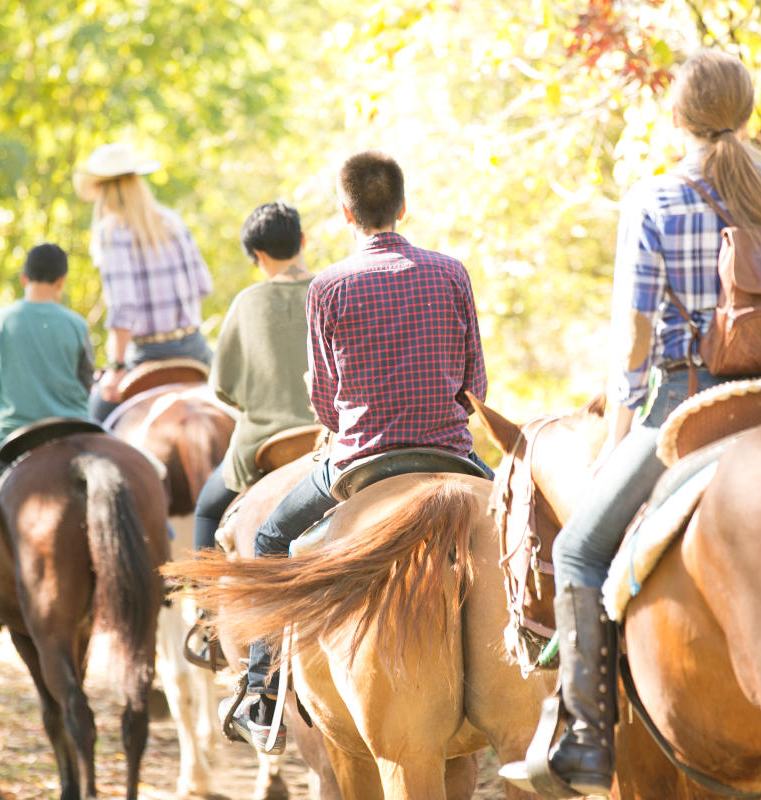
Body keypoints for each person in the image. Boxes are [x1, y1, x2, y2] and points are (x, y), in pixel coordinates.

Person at [516, 49, 761, 797]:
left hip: (690, 402)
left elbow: (632, 343)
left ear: (675, 115)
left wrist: (621, 430)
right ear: (747, 110)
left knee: (585, 553)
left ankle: (586, 740)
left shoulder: (654, 199)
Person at [222, 150, 492, 755]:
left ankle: (261, 694)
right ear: (402, 207)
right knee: (526, 528)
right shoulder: (452, 273)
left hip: (359, 462)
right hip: (452, 453)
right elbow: (475, 385)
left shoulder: (329, 286)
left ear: (346, 213)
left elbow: (323, 399)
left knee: (267, 540)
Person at [185, 201, 317, 666]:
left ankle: (206, 623)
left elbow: (223, 386)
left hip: (264, 452)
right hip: (326, 445)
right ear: (302, 242)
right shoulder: (329, 289)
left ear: (256, 256)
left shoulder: (246, 303)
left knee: (206, 509)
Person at [0, 243, 95, 636]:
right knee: (143, 471)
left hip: (19, 437)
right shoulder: (77, 324)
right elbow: (84, 383)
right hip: (79, 433)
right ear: (62, 281)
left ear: (24, 278)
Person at [73, 142, 214, 423]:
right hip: (193, 348)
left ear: (102, 190)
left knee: (92, 423)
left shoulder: (111, 232)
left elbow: (124, 308)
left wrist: (116, 366)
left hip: (147, 353)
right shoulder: (172, 221)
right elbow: (203, 286)